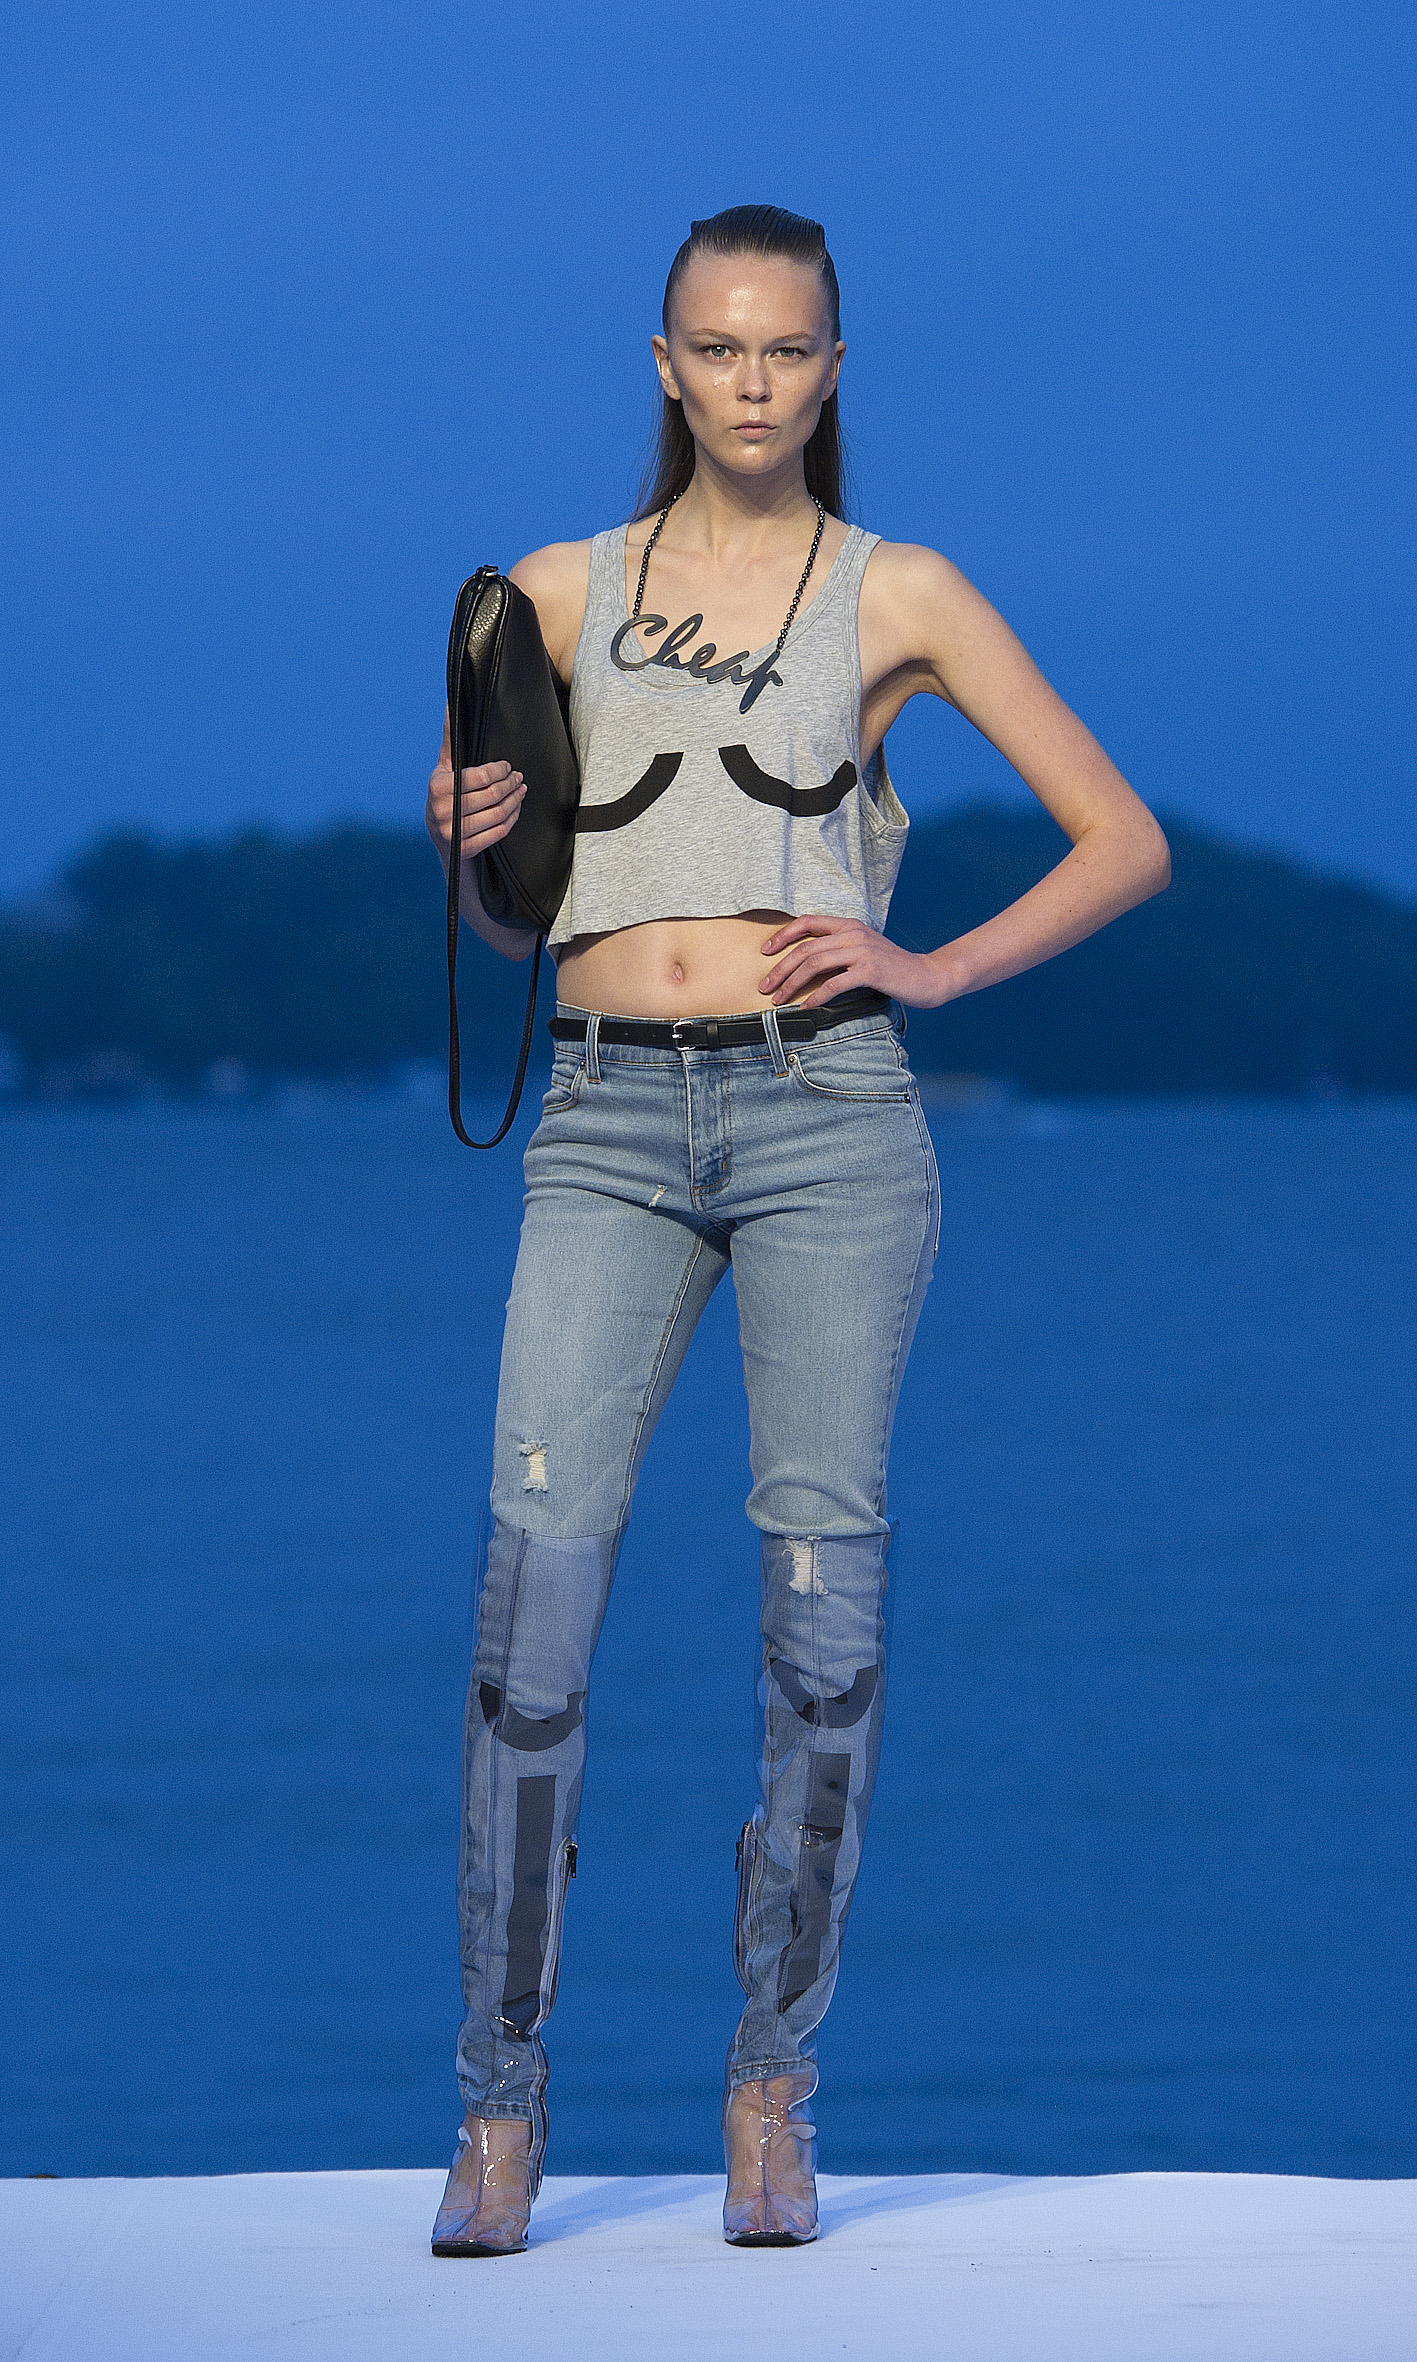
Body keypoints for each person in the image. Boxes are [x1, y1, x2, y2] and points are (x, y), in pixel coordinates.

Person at [423, 204, 1169, 2258]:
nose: (750, 381)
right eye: (717, 346)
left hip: (828, 1117)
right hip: (600, 1116)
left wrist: (928, 968)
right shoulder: (543, 594)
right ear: (662, 362)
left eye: (786, 349)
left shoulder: (897, 588)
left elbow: (1122, 838)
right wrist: (473, 850)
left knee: (820, 1624)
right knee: (530, 1611)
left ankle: (772, 2085)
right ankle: (497, 2108)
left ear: (831, 368)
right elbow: (514, 924)